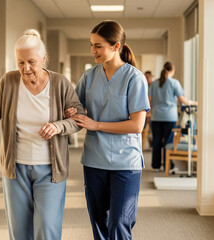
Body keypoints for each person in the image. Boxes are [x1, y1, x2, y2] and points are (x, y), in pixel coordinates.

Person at [0, 29, 85, 240]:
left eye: (31, 62)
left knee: (47, 228)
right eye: (20, 63)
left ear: (43, 59)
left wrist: (58, 126)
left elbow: (79, 119)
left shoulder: (60, 83)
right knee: (20, 232)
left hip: (51, 169)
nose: (26, 68)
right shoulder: (8, 82)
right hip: (15, 168)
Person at [65, 20, 150, 240]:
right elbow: (76, 105)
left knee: (119, 222)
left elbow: (137, 125)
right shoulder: (89, 76)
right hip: (94, 160)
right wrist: (71, 111)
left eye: (98, 46)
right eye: (91, 45)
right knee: (99, 222)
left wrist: (96, 124)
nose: (93, 51)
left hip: (126, 162)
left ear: (116, 46)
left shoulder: (135, 78)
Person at [148, 61, 198, 171]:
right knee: (168, 141)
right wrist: (194, 103)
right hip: (169, 117)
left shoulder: (155, 83)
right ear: (172, 70)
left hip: (156, 116)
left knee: (156, 141)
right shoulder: (174, 83)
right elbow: (182, 100)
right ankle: (168, 166)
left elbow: (149, 100)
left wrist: (150, 112)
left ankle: (156, 166)